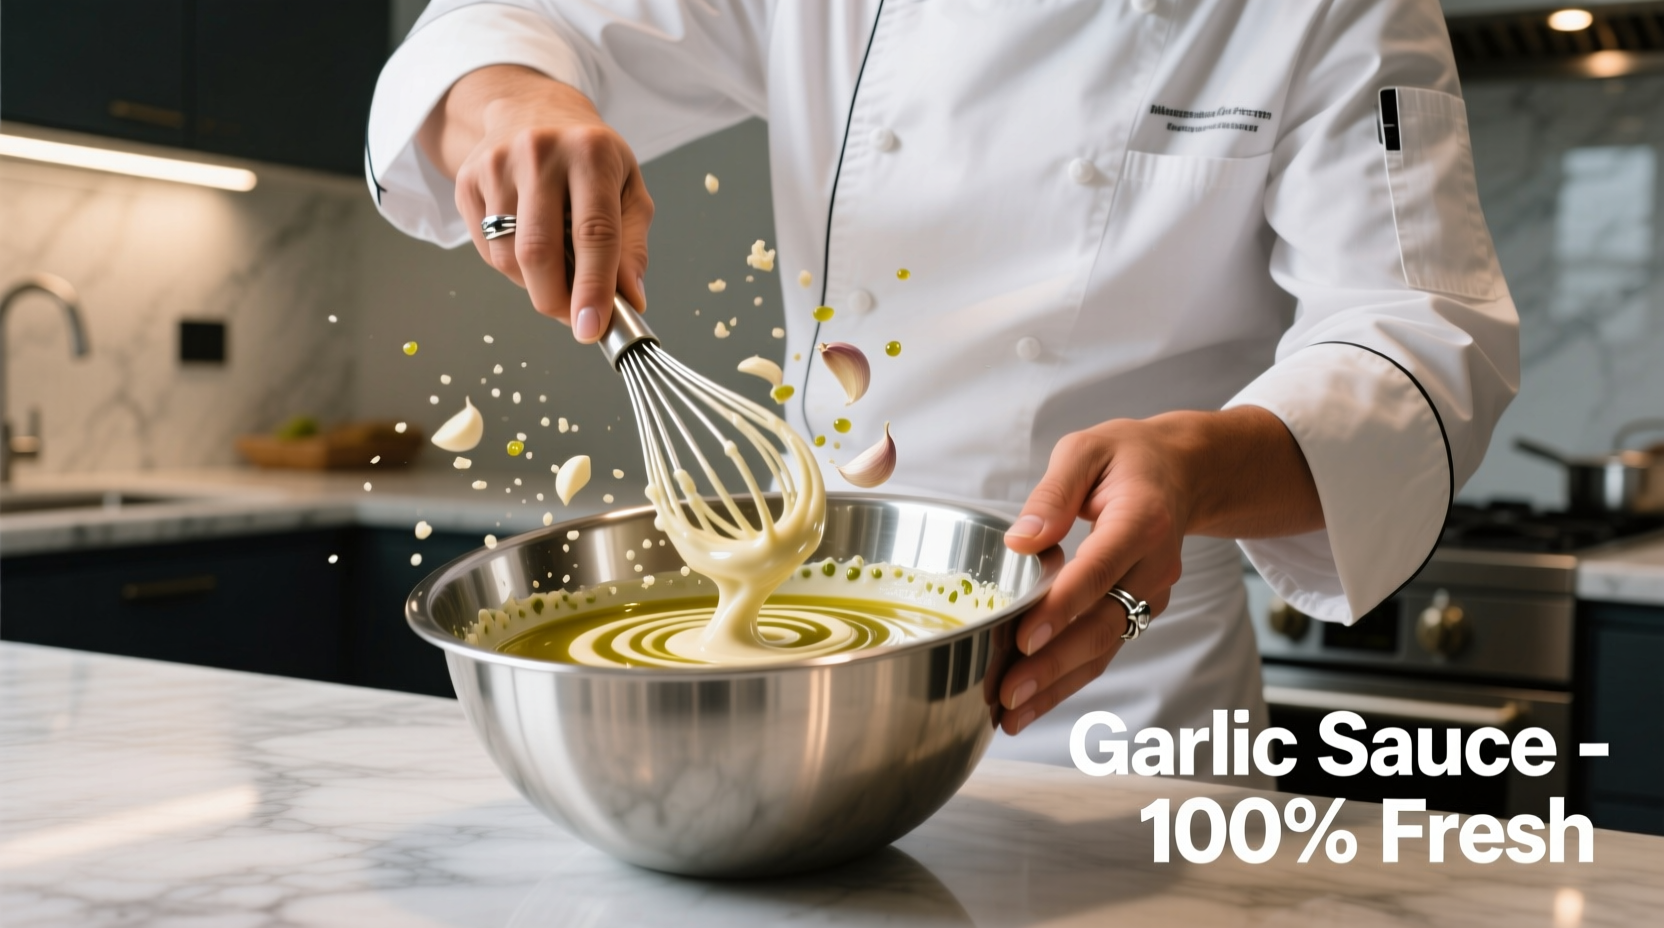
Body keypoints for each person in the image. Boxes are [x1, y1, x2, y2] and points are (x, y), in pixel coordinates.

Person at [365, 0, 1518, 778]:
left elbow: (1421, 335)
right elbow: (499, 30)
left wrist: (1194, 468)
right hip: (809, 690)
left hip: (1114, 703)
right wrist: (515, 109)